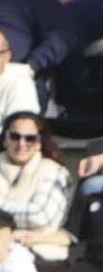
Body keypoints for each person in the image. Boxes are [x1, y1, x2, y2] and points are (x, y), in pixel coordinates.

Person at [0, 110, 73, 263]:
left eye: (30, 138)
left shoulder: (54, 172)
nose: (21, 144)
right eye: (15, 136)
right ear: (5, 139)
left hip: (42, 253)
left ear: (39, 143)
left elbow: (40, 216)